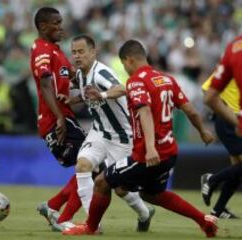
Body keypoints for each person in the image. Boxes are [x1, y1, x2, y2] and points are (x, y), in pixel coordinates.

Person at [63, 40, 218, 237]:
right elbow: (191, 111)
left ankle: (90, 228)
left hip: (147, 154)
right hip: (170, 152)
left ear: (129, 60)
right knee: (151, 194)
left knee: (102, 181)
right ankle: (204, 221)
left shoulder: (136, 81)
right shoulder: (167, 79)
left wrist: (151, 148)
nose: (126, 70)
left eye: (124, 65)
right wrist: (203, 131)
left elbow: (144, 112)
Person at [58, 34, 154, 232]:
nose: (77, 56)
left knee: (120, 189)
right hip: (100, 131)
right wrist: (72, 100)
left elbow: (122, 88)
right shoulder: (81, 74)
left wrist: (101, 94)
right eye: (74, 52)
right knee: (82, 165)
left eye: (81, 52)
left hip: (121, 136)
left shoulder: (100, 72)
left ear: (93, 52)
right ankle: (92, 224)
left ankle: (145, 213)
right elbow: (87, 94)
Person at [30, 7, 85, 231]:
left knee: (92, 164)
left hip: (66, 117)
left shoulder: (57, 51)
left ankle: (53, 207)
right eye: (56, 23)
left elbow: (69, 79)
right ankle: (60, 214)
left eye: (61, 22)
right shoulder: (41, 49)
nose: (61, 27)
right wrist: (60, 117)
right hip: (56, 121)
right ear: (43, 26)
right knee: (94, 165)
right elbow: (44, 84)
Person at [200, 81, 241, 217]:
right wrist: (221, 110)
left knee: (237, 169)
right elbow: (206, 89)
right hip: (230, 120)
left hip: (236, 121)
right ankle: (211, 180)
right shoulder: (233, 65)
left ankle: (217, 210)